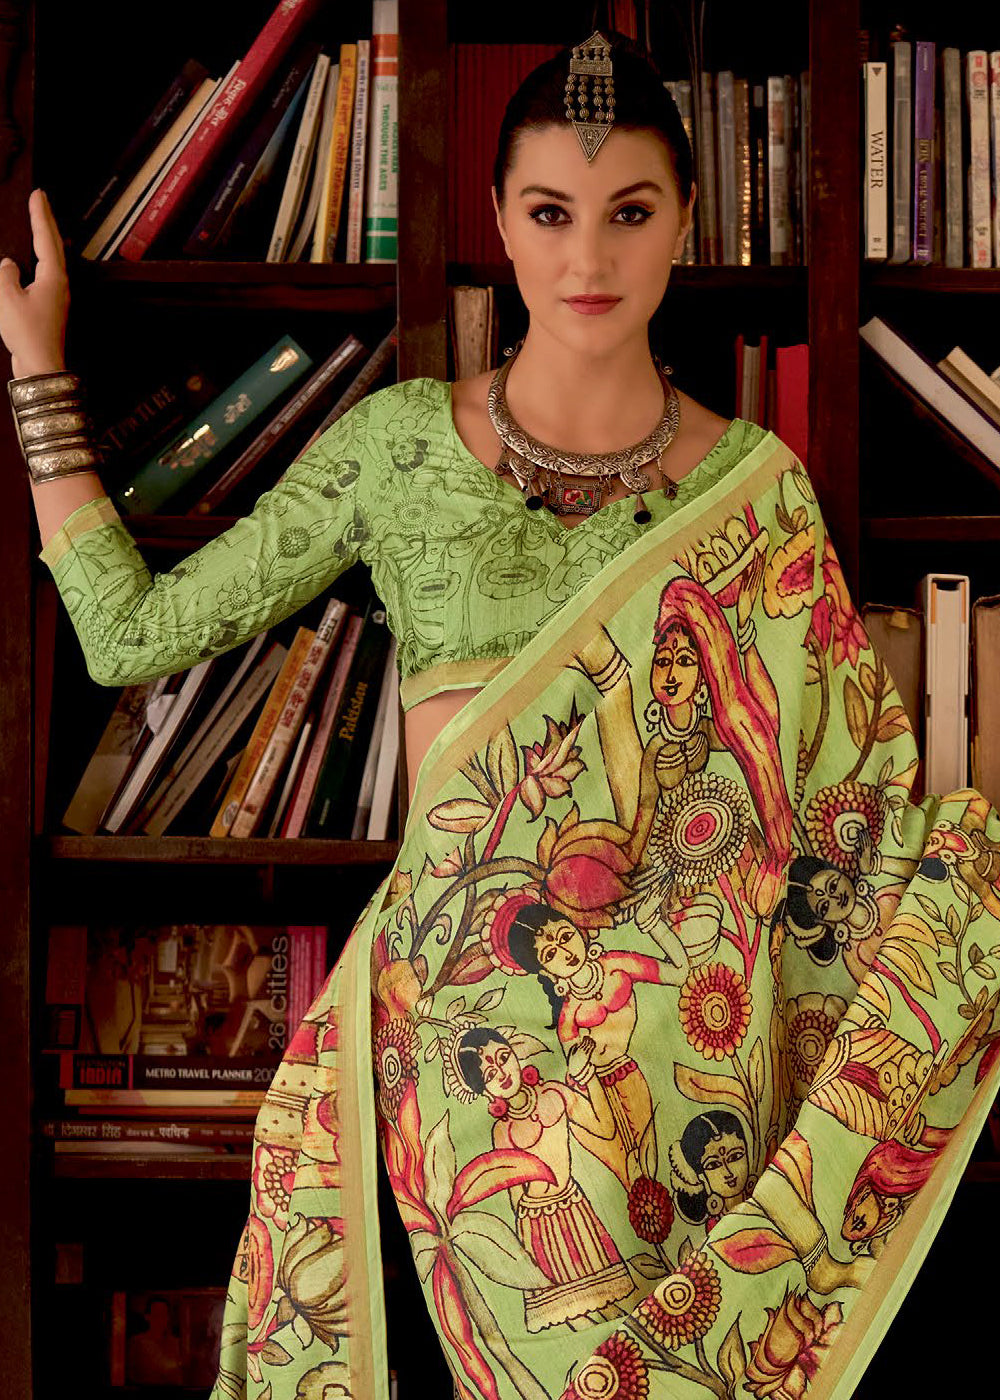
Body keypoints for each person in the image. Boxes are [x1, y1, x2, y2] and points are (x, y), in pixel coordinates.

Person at [4, 29, 1000, 1400]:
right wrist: (37, 375)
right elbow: (131, 636)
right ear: (498, 221)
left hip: (670, 1076)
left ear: (686, 223)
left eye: (628, 213)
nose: (588, 257)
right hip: (443, 1043)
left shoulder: (756, 493)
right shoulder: (401, 448)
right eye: (550, 212)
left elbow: (844, 818)